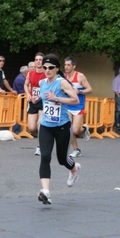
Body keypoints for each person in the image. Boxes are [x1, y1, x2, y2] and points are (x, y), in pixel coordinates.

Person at [37, 54, 80, 205]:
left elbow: (75, 100)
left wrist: (57, 98)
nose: (47, 70)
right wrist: (36, 100)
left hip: (62, 126)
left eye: (50, 68)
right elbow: (44, 99)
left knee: (62, 159)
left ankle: (74, 168)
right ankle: (46, 192)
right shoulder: (42, 82)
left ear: (57, 69)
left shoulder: (62, 83)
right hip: (46, 127)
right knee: (45, 156)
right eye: (45, 67)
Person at [64, 57, 93, 158]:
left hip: (78, 106)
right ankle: (76, 149)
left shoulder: (80, 76)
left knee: (76, 130)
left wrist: (79, 91)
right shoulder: (64, 77)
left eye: (68, 65)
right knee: (69, 129)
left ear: (74, 66)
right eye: (65, 65)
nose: (66, 67)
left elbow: (90, 89)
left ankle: (84, 128)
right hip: (67, 105)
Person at [24, 52, 45, 155]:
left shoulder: (46, 73)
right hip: (32, 101)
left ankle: (39, 146)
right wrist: (28, 94)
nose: (38, 61)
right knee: (32, 127)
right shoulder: (30, 73)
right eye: (36, 59)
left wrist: (39, 96)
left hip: (42, 101)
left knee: (39, 124)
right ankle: (46, 135)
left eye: (40, 59)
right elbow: (26, 84)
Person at [12, 65, 29, 134]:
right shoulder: (21, 79)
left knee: (20, 115)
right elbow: (22, 91)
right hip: (20, 101)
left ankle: (19, 130)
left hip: (20, 100)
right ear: (26, 72)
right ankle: (17, 131)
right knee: (19, 115)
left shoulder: (20, 77)